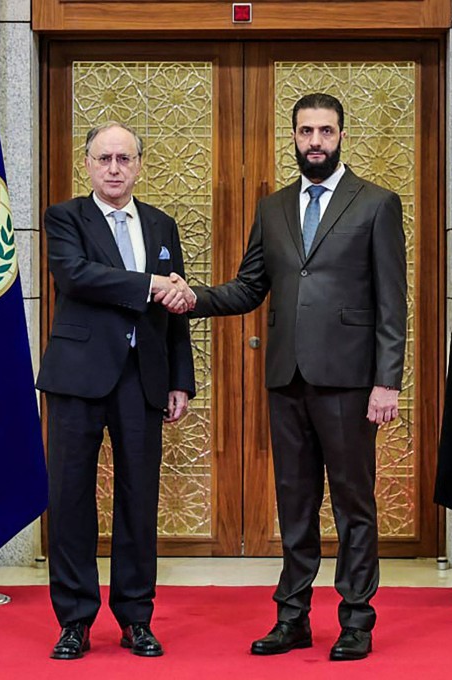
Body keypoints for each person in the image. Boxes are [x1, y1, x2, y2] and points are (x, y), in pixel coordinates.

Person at [187, 93, 406, 661]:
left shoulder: (377, 203)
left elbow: (392, 303)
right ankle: (294, 618)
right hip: (286, 378)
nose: (316, 141)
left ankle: (357, 620)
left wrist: (389, 382)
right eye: (306, 131)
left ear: (341, 135)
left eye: (326, 131)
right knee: (294, 502)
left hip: (352, 382)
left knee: (354, 504)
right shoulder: (274, 207)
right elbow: (248, 286)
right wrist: (194, 298)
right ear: (293, 137)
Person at [36, 121, 196, 660]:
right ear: (87, 165)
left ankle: (136, 618)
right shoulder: (65, 218)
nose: (113, 168)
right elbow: (77, 276)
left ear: (139, 166)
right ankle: (76, 620)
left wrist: (180, 379)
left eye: (123, 158)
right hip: (79, 377)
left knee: (138, 501)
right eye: (103, 158)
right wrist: (149, 285)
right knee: (71, 498)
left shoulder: (161, 224)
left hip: (143, 378)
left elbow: (176, 313)